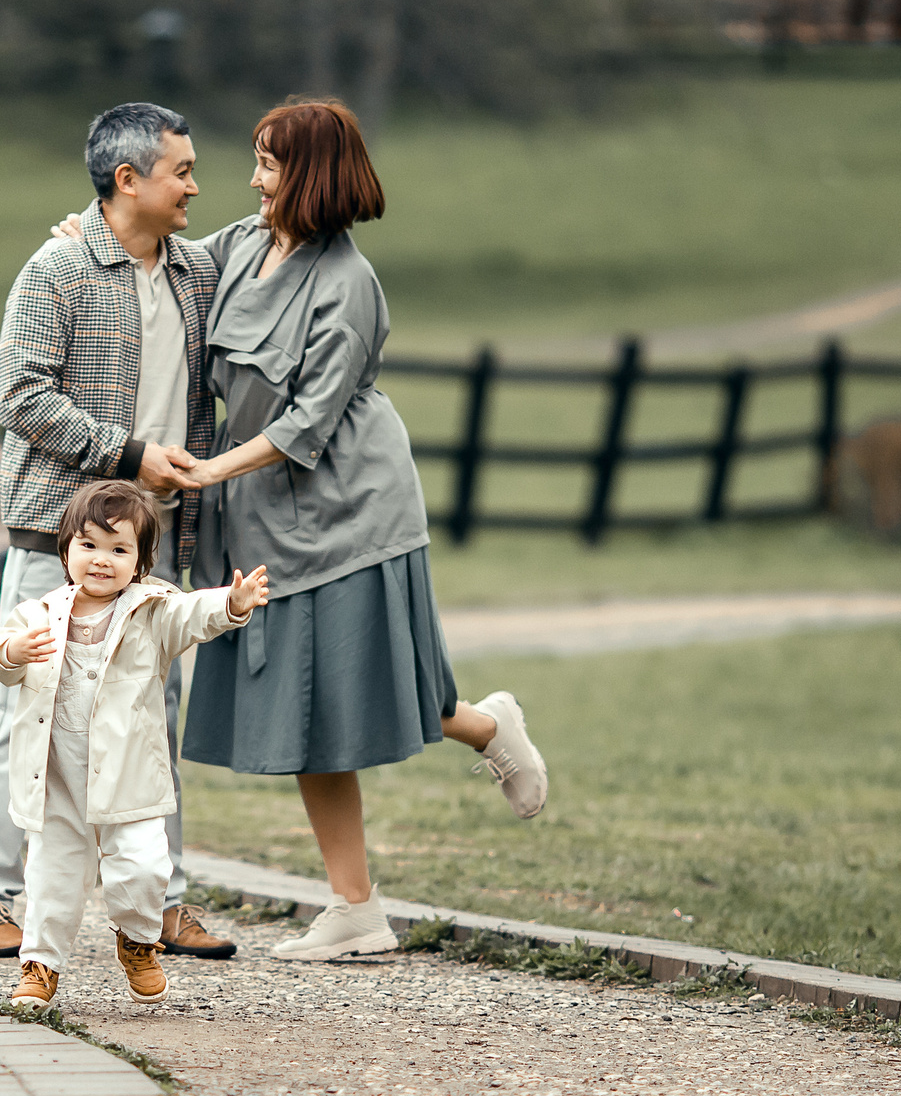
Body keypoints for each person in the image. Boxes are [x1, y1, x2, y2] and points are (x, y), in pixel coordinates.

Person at [56, 97, 550, 962]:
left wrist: (206, 469)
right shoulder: (241, 247)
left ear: (309, 175)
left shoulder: (349, 284)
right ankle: (471, 742)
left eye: (269, 165)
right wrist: (95, 233)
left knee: (346, 690)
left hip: (351, 506)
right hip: (265, 514)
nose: (250, 180)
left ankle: (359, 899)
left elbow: (308, 425)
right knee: (320, 698)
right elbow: (164, 267)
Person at [0, 102, 237, 962]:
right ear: (128, 180)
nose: (195, 184)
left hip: (156, 549)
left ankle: (160, 901)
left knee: (151, 716)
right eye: (181, 170)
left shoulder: (197, 273)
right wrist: (127, 454)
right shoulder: (55, 270)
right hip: (56, 536)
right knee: (22, 713)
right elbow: (21, 396)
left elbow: (274, 241)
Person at [0, 481, 267, 1010]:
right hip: (58, 781)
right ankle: (40, 965)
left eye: (119, 550)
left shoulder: (152, 611)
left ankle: (137, 940)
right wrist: (12, 651)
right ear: (66, 548)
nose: (101, 560)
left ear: (140, 563)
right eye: (89, 545)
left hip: (130, 780)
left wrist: (231, 603)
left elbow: (194, 615)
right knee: (52, 876)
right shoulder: (38, 614)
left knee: (143, 869)